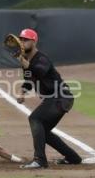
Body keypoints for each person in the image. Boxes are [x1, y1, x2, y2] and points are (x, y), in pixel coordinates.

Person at [12, 29, 82, 169]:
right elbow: (29, 79)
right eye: (21, 40)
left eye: (26, 40)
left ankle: (39, 160)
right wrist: (22, 93)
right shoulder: (26, 61)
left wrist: (25, 64)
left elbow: (39, 72)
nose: (23, 42)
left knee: (34, 118)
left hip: (61, 97)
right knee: (43, 131)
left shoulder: (41, 58)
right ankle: (73, 157)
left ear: (34, 41)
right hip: (54, 99)